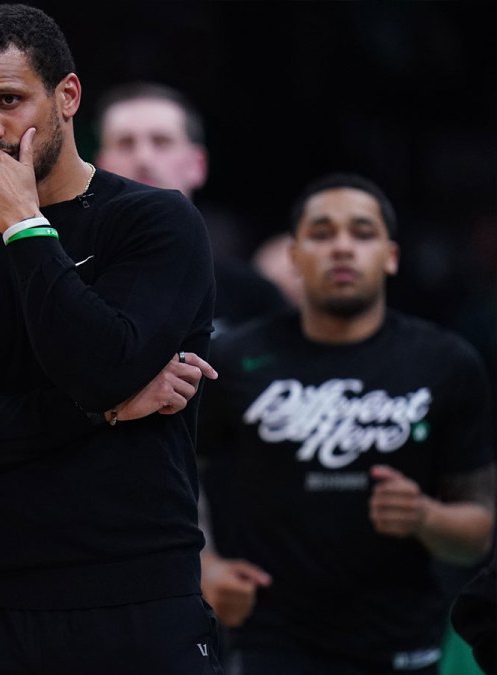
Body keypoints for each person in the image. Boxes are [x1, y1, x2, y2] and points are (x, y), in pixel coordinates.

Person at [0, 5, 222, 672]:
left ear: (67, 96)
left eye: (8, 100)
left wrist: (25, 228)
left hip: (135, 600)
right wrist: (104, 411)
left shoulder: (156, 223)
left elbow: (101, 364)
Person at [196, 172, 496, 674]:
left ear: (391, 255)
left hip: (400, 636)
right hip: (268, 637)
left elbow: (479, 533)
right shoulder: (234, 358)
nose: (341, 248)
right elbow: (179, 476)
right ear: (293, 257)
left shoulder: (446, 363)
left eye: (361, 233)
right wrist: (202, 565)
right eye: (321, 233)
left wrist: (424, 516)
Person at [93, 81, 289, 335]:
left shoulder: (252, 298)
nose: (144, 159)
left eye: (161, 141)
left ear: (197, 165)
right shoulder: (68, 286)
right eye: (125, 143)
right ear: (99, 166)